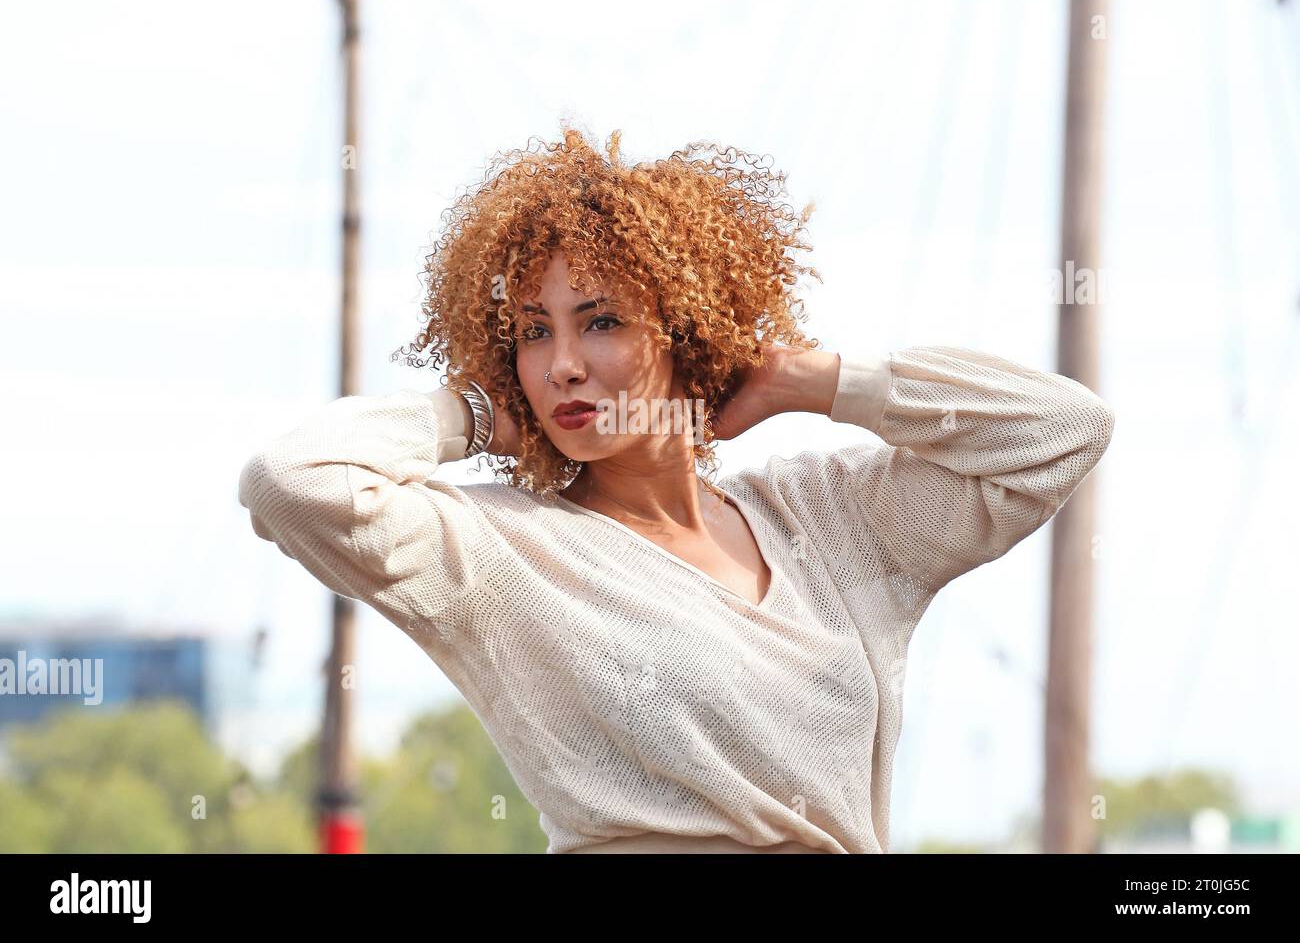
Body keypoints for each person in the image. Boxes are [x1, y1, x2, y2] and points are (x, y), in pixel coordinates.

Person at [237, 127, 1116, 854]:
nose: (564, 365)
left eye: (602, 320)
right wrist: (472, 412)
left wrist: (810, 380)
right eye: (533, 334)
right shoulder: (501, 553)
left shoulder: (830, 518)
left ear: (689, 329)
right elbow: (289, 483)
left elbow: (1059, 430)